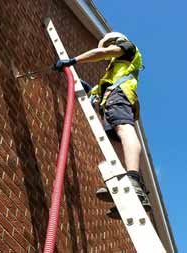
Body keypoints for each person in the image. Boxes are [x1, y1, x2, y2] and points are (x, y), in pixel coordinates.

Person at [54, 32, 150, 219]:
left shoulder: (128, 48)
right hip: (111, 103)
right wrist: (87, 88)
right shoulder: (114, 71)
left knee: (124, 129)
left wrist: (73, 60)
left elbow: (102, 53)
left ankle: (132, 179)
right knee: (116, 143)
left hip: (120, 96)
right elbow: (98, 90)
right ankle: (135, 190)